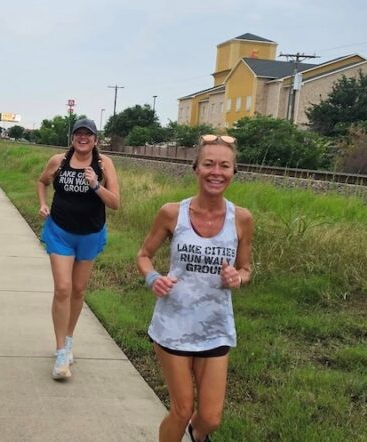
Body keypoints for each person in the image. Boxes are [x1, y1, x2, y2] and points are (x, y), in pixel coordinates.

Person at [136, 134, 253, 442]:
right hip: (173, 323)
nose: (217, 172)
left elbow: (246, 268)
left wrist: (238, 278)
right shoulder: (172, 213)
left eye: (225, 166)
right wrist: (153, 279)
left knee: (211, 418)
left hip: (215, 325)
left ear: (233, 172)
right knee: (182, 408)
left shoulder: (241, 219)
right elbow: (144, 256)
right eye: (209, 164)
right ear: (196, 169)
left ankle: (196, 436)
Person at [36, 118, 120, 380]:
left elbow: (115, 202)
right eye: (78, 134)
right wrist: (42, 203)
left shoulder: (104, 164)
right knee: (63, 288)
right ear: (72, 138)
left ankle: (69, 337)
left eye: (88, 134)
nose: (83, 138)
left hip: (91, 234)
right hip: (60, 231)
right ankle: (61, 352)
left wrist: (96, 185)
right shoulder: (58, 161)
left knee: (79, 289)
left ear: (96, 140)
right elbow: (42, 182)